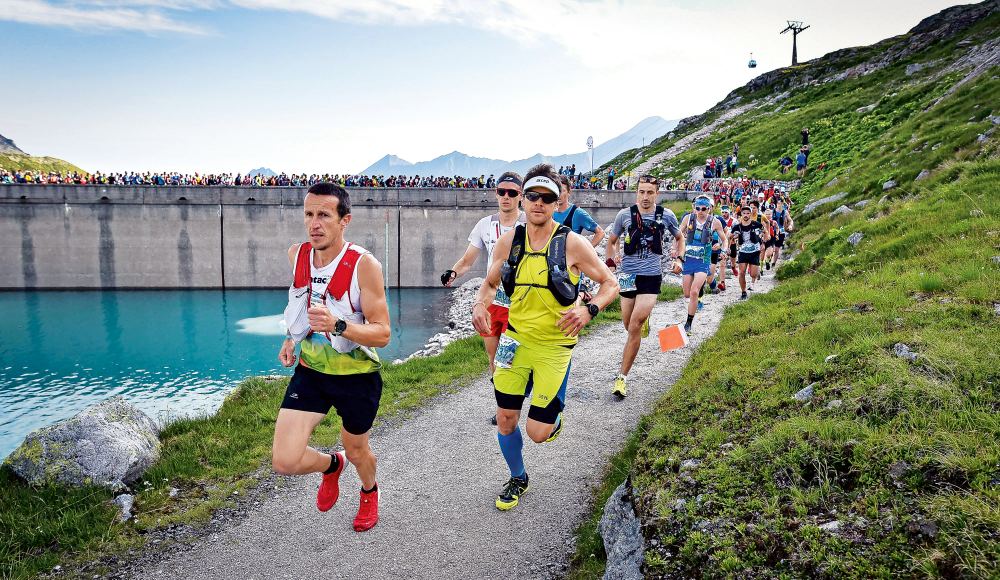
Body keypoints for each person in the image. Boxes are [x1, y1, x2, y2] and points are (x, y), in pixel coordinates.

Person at [472, 164, 618, 511]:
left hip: (555, 346)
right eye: (532, 196)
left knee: (538, 432)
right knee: (506, 419)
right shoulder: (510, 241)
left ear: (557, 201)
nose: (539, 203)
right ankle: (518, 477)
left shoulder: (573, 243)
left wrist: (589, 310)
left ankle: (552, 419)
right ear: (522, 200)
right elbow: (491, 283)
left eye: (547, 197)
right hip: (514, 342)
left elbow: (610, 284)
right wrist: (480, 304)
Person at [274, 182, 391, 532]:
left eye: (324, 215)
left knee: (357, 451)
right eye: (309, 214)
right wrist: (291, 339)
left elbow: (383, 333)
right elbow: (303, 303)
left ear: (344, 221)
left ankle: (369, 491)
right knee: (285, 460)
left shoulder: (363, 265)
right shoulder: (298, 255)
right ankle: (330, 466)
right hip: (311, 373)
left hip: (356, 378)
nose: (314, 223)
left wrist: (339, 325)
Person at [440, 172, 526, 424]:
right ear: (495, 194)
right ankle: (503, 406)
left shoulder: (529, 223)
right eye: (502, 192)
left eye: (512, 192)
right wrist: (454, 271)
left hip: (520, 300)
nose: (506, 197)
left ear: (521, 196)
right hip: (492, 299)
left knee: (513, 356)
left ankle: (515, 400)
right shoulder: (484, 224)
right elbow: (468, 260)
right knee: (493, 356)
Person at [606, 175, 682, 398]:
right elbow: (611, 241)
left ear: (657, 193)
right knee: (628, 324)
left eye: (650, 192)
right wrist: (612, 260)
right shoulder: (624, 215)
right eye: (641, 192)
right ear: (636, 192)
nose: (645, 196)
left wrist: (679, 259)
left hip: (651, 275)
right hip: (628, 275)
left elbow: (680, 237)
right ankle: (643, 318)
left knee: (634, 326)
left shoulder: (666, 215)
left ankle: (622, 378)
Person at [676, 196, 727, 335]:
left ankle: (688, 324)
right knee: (687, 294)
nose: (700, 211)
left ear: (708, 209)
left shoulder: (714, 222)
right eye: (698, 208)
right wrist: (675, 250)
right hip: (689, 260)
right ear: (694, 208)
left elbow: (724, 239)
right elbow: (678, 235)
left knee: (694, 292)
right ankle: (700, 290)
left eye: (703, 209)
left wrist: (722, 249)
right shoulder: (688, 219)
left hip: (703, 261)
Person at [730, 206, 769, 300]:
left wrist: (764, 242)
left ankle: (757, 272)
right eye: (744, 213)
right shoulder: (737, 227)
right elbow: (729, 236)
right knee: (742, 272)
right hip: (743, 252)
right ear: (741, 215)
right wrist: (730, 245)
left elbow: (765, 232)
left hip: (755, 252)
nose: (746, 215)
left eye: (748, 213)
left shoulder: (757, 224)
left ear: (751, 214)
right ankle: (743, 292)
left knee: (753, 274)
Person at [769, 198, 793, 268]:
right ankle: (768, 259)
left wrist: (790, 225)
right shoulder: (772, 211)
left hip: (781, 231)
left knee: (777, 249)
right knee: (771, 248)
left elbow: (791, 220)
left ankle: (773, 263)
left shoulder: (785, 212)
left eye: (781, 204)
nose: (779, 205)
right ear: (776, 204)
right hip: (772, 231)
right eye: (778, 204)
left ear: (783, 205)